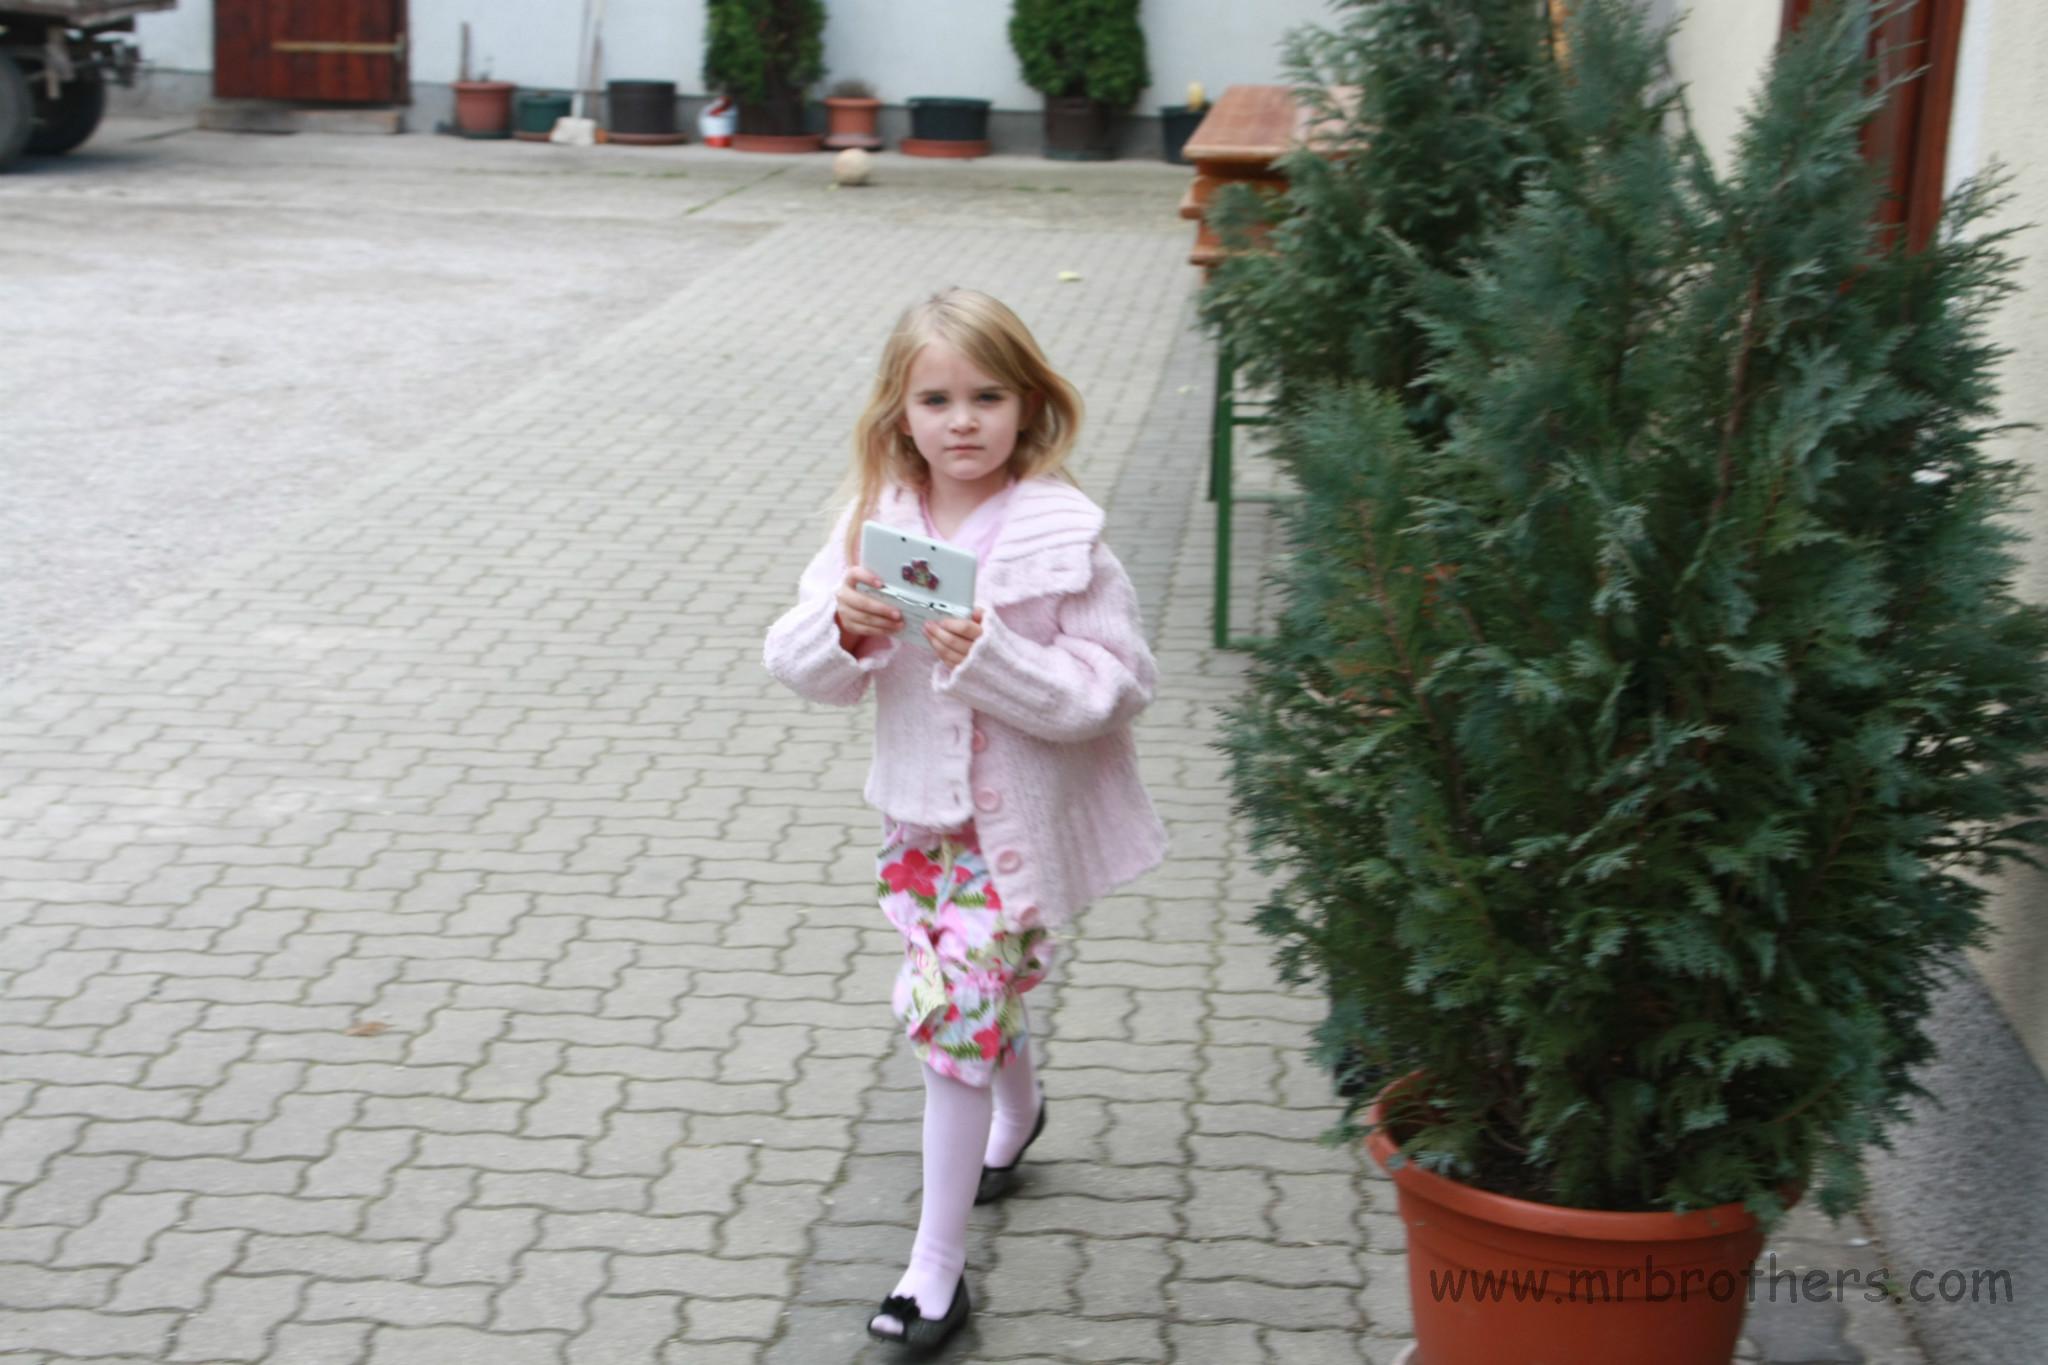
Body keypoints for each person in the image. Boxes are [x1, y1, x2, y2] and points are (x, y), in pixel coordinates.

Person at [762, 287, 1167, 1351]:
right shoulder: (878, 525)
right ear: (899, 412)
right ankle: (1018, 1112)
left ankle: (933, 1271)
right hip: (920, 828)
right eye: (935, 399)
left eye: (987, 396)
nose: (962, 421)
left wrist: (996, 659)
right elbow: (795, 664)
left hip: (1015, 836)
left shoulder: (1064, 534)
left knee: (949, 1023)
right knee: (972, 1003)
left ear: (1030, 403)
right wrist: (842, 629)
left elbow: (1117, 685)